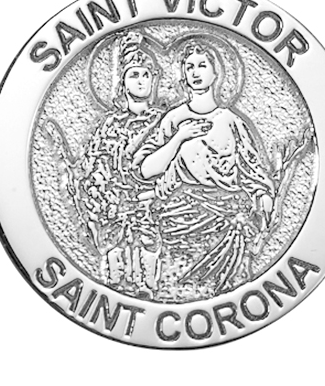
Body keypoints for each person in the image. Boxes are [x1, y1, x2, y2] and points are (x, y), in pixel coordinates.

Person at [134, 41, 275, 294]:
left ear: (215, 72)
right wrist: (179, 138)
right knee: (177, 288)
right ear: (183, 75)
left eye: (202, 65)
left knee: (226, 289)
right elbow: (145, 170)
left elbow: (251, 170)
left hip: (225, 223)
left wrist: (263, 194)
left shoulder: (231, 121)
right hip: (179, 222)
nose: (196, 72)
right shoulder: (173, 119)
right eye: (189, 67)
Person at [80, 32, 163, 297]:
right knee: (114, 247)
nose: (140, 81)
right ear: (123, 83)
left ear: (154, 80)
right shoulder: (110, 126)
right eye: (134, 75)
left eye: (145, 75)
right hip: (115, 204)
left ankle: (148, 289)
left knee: (148, 244)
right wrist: (100, 191)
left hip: (150, 201)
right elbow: (97, 164)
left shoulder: (164, 122)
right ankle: (114, 288)